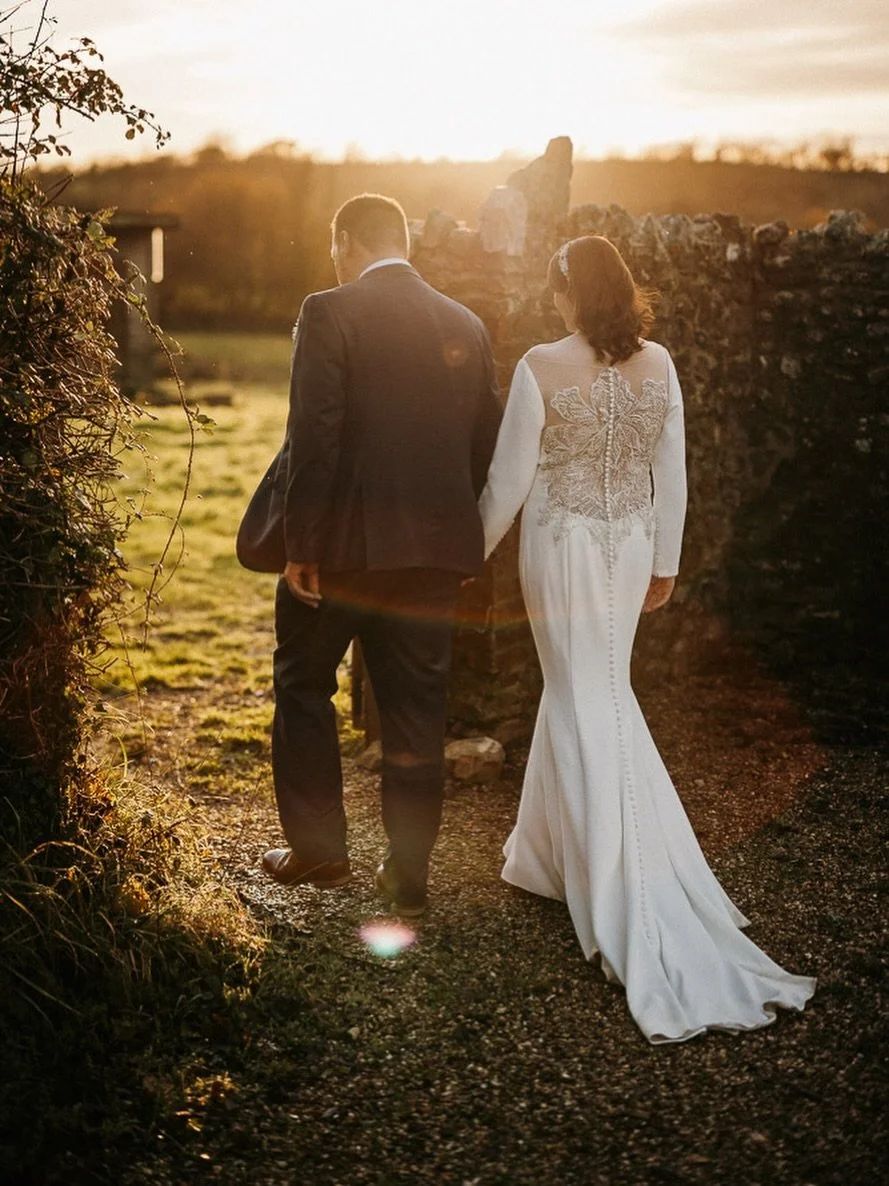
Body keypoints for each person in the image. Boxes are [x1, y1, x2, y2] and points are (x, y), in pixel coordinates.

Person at [478, 235, 815, 1043]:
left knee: (579, 694)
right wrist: (663, 560)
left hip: (560, 547)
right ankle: (541, 858)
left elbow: (506, 482)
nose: (552, 303)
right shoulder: (657, 363)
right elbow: (675, 473)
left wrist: (461, 555)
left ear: (569, 292)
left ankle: (613, 888)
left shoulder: (537, 365)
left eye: (556, 290)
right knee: (594, 688)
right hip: (627, 546)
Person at [262, 193, 502, 917]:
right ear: (405, 242)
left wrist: (302, 544)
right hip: (430, 556)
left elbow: (316, 435)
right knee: (417, 712)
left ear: (346, 242)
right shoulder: (466, 323)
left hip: (339, 552)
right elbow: (482, 449)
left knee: (304, 683)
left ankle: (319, 852)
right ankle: (407, 877)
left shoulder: (328, 310)